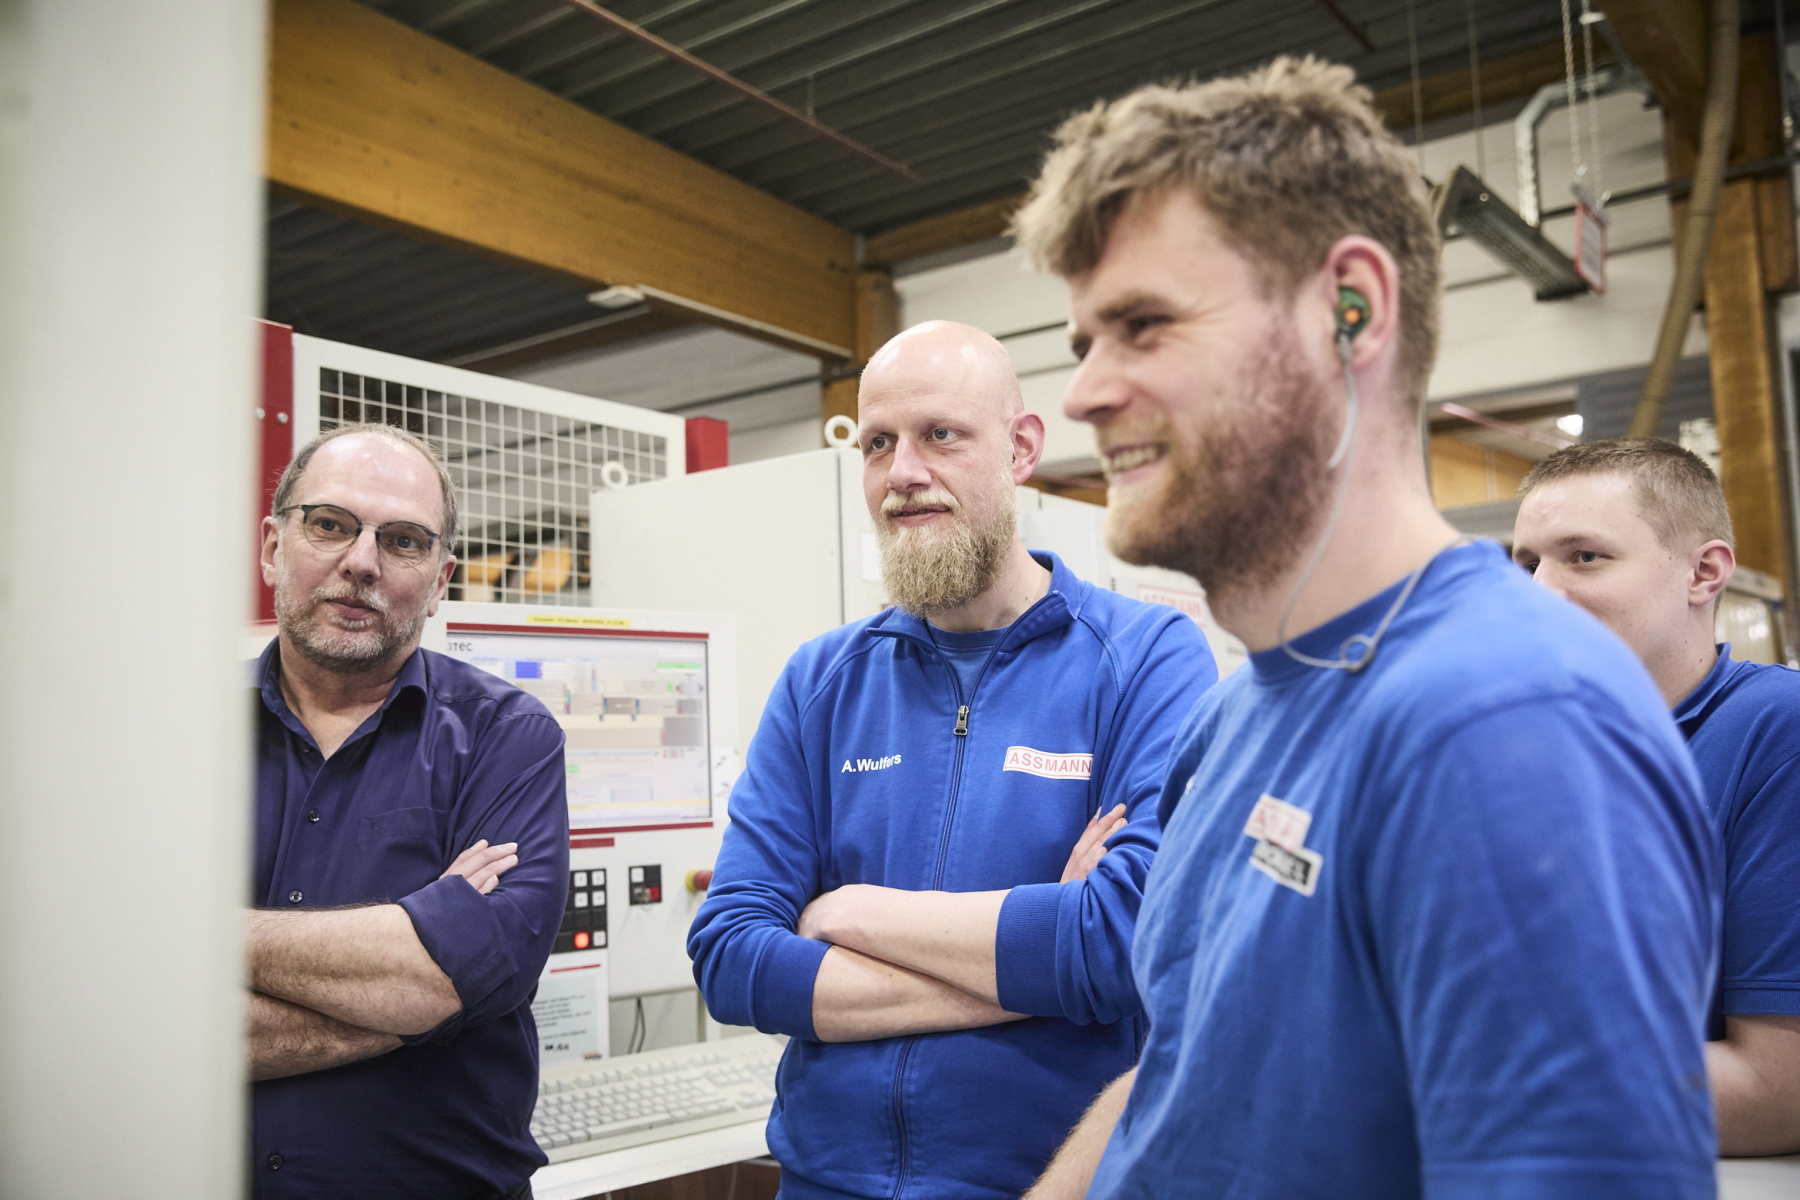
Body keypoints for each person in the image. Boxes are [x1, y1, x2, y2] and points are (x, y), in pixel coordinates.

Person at [1011, 57, 1719, 1199]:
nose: (1085, 393)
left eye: (1141, 325)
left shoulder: (1508, 726)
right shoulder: (1239, 713)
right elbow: (1178, 1079)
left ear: (1351, 309)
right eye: (1084, 342)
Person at [687, 320, 1215, 1200]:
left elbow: (1125, 940)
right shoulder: (822, 683)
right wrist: (1040, 970)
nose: (902, 472)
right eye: (878, 444)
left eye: (941, 435)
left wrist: (849, 911)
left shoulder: (1145, 658)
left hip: (1047, 1183)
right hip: (825, 1183)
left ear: (1021, 449)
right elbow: (733, 957)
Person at [249, 423, 569, 1200]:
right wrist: (410, 973)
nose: (362, 562)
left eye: (402, 541)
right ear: (272, 546)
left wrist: (190, 939)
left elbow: (461, 979)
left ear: (439, 580)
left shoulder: (507, 739)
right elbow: (126, 1011)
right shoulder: (166, 744)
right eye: (330, 524)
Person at [1513, 436, 1800, 1156]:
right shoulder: (1526, 751)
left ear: (1704, 572)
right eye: (1526, 563)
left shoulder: (1774, 733)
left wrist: (1466, 1080)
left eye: (1585, 556)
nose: (1538, 592)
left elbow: (1779, 1091)